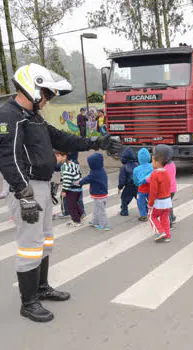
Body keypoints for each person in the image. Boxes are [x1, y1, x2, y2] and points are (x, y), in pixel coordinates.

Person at [0, 63, 121, 322]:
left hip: (41, 185)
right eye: (46, 93)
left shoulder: (32, 117)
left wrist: (96, 142)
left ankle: (41, 288)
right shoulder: (9, 116)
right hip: (27, 188)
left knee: (44, 240)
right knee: (30, 245)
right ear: (33, 88)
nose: (48, 99)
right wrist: (24, 192)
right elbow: (8, 158)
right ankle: (28, 302)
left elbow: (61, 138)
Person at [79, 153, 110, 231]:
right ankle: (95, 221)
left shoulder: (95, 172)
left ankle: (104, 225)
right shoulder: (101, 170)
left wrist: (80, 182)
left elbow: (88, 179)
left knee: (100, 211)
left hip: (99, 195)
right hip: (100, 194)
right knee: (96, 209)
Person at [148, 148, 173, 242]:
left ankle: (160, 231)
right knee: (164, 218)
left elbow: (153, 191)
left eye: (152, 161)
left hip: (158, 201)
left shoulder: (154, 175)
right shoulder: (166, 172)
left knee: (151, 216)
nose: (151, 163)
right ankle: (167, 235)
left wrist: (150, 203)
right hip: (167, 200)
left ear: (157, 162)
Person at [149, 145, 177, 227]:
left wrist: (146, 180)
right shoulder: (171, 164)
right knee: (169, 204)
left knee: (165, 207)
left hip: (166, 189)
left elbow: (158, 178)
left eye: (155, 153)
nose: (154, 155)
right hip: (172, 189)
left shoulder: (164, 167)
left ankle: (169, 223)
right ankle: (172, 217)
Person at [60, 151, 84, 227]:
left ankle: (76, 221)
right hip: (78, 188)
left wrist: (64, 190)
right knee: (75, 203)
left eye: (58, 156)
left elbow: (67, 179)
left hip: (71, 189)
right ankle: (80, 214)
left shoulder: (65, 166)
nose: (56, 158)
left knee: (70, 205)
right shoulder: (74, 164)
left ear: (64, 156)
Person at [133, 148, 154, 222]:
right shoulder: (152, 166)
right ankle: (153, 213)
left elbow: (135, 180)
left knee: (140, 202)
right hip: (151, 188)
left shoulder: (136, 169)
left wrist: (136, 184)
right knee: (152, 201)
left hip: (141, 189)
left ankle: (143, 215)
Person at [118, 147, 139, 216]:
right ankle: (145, 210)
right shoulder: (137, 165)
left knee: (124, 198)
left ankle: (124, 211)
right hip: (137, 186)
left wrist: (120, 187)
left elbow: (122, 179)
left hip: (128, 186)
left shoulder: (124, 167)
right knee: (139, 199)